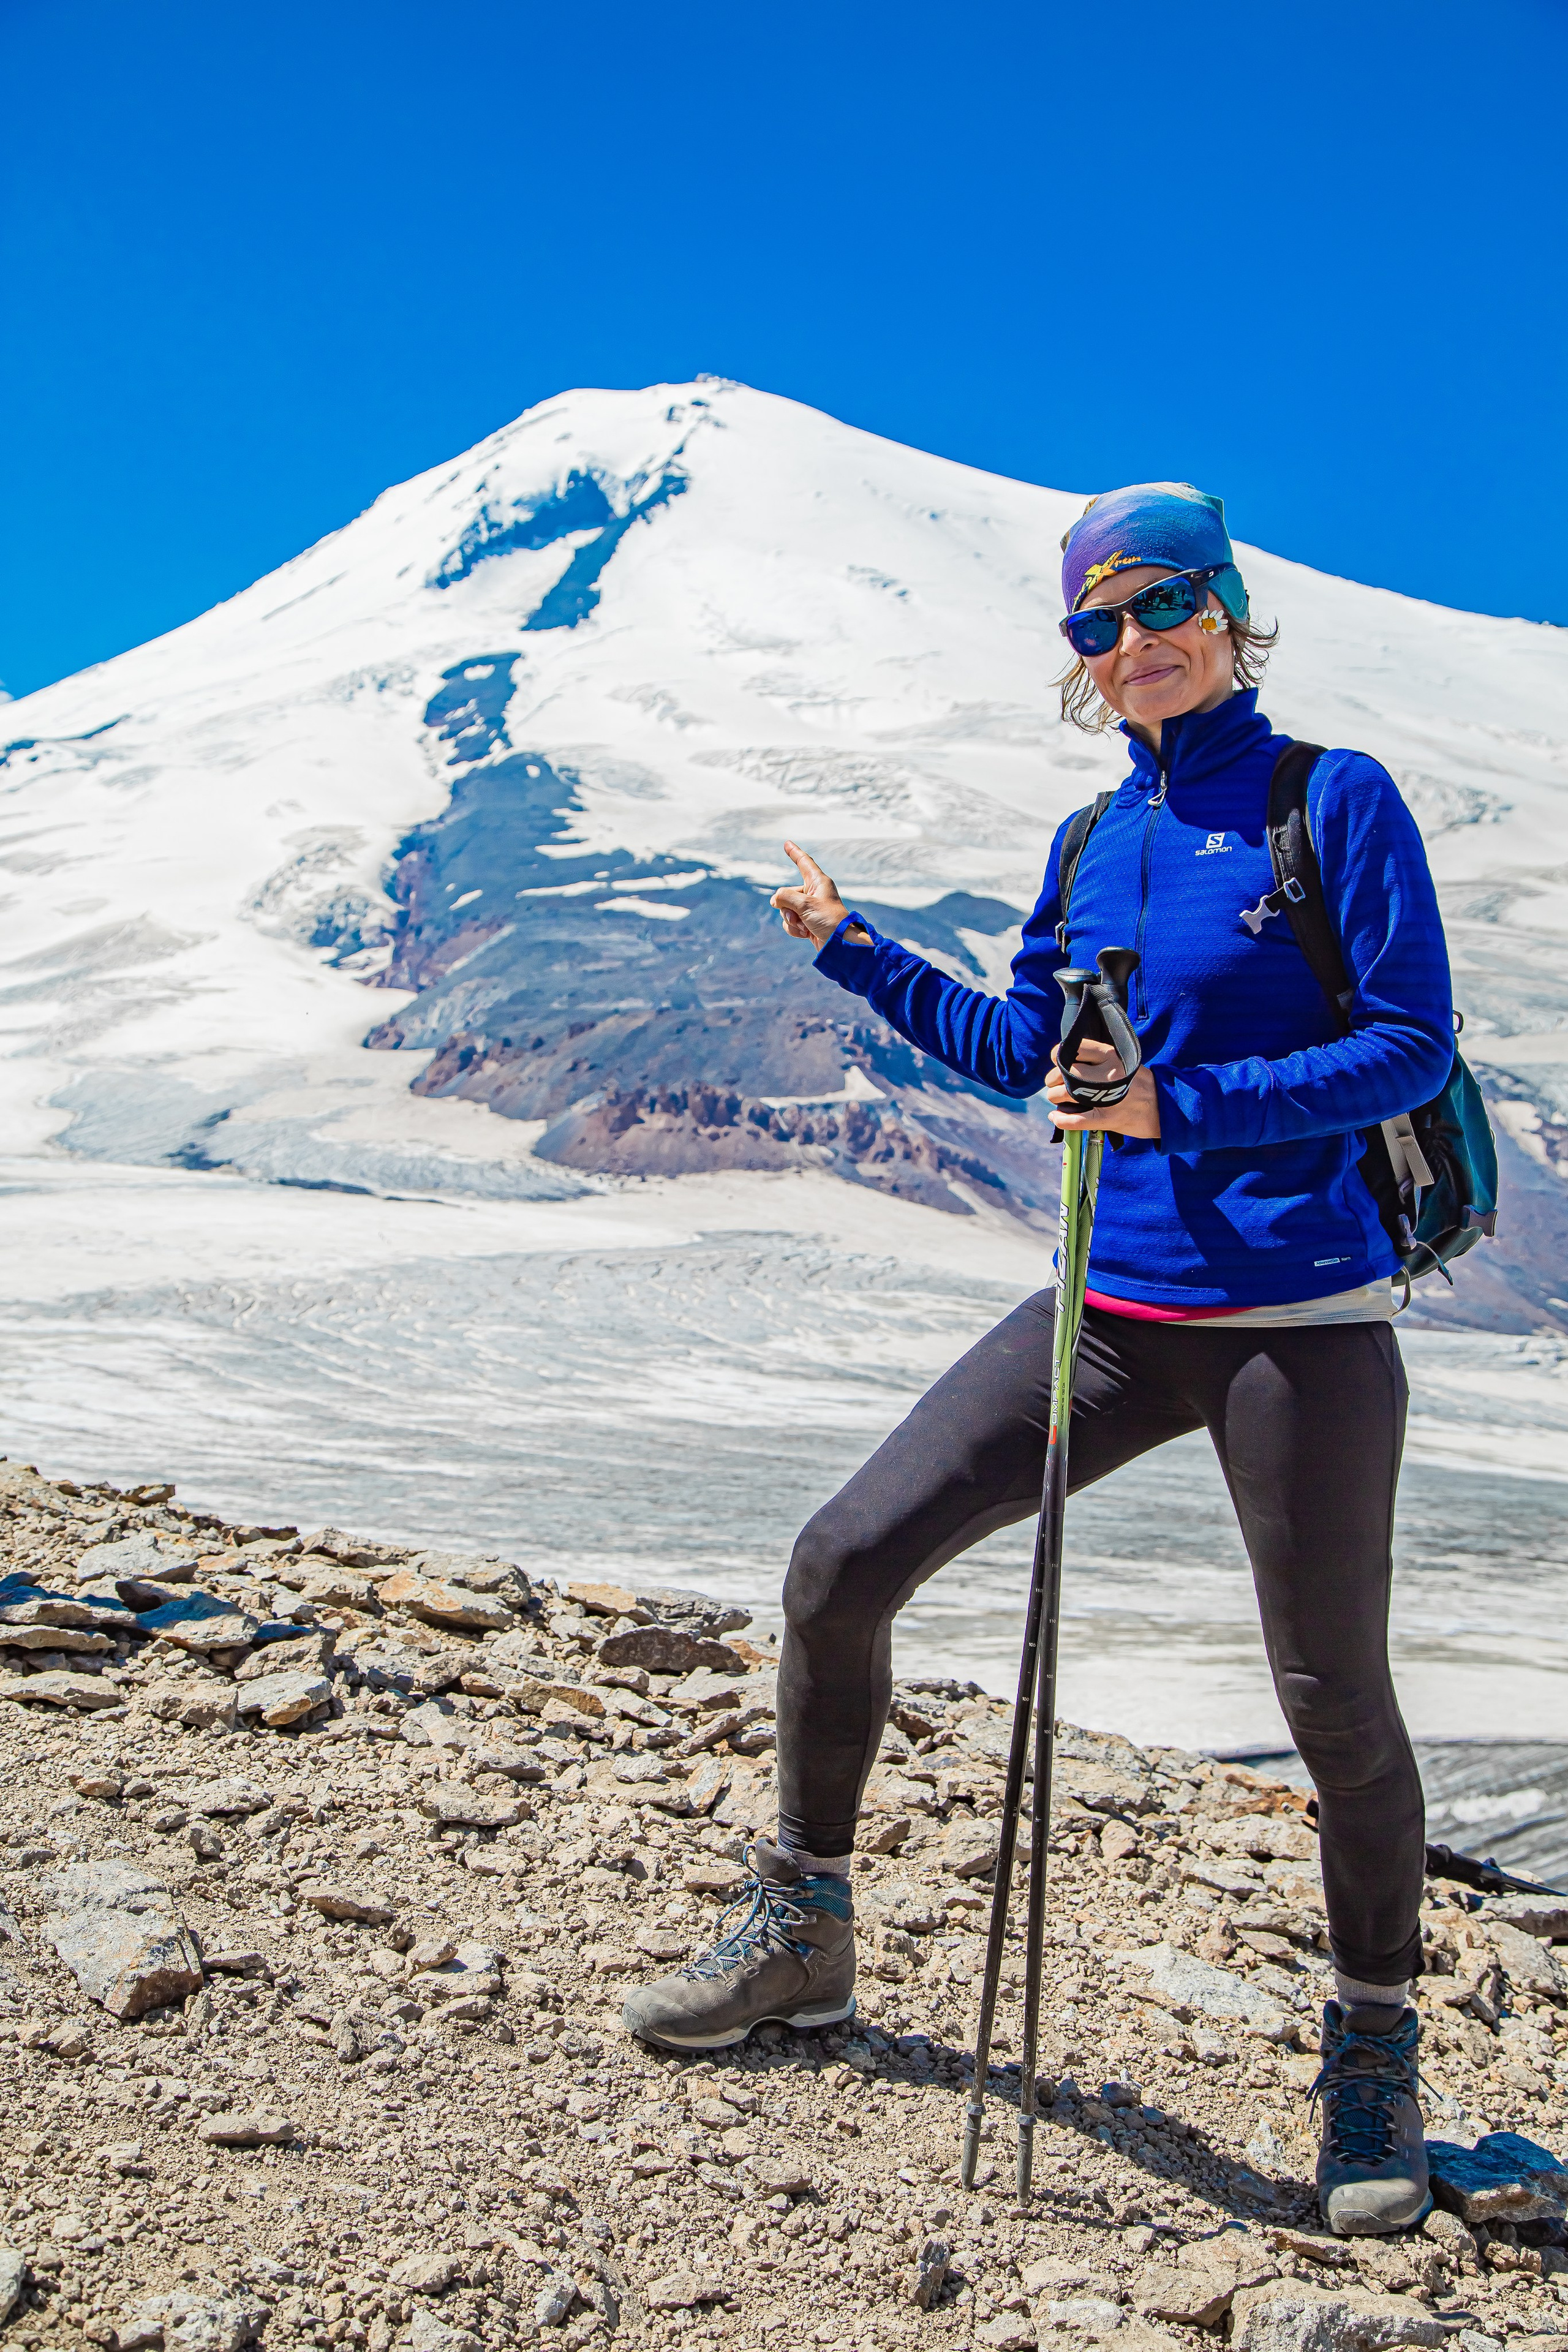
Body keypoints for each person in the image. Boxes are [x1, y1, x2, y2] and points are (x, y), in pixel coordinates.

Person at [622, 481, 1453, 2238]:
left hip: (1298, 1326)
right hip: (1108, 1311)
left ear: (1230, 612)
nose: (1135, 643)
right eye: (1099, 624)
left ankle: (1374, 2046)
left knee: (1331, 1702)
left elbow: (1404, 1050)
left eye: (1165, 607)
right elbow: (1027, 1047)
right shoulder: (1094, 842)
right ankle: (806, 1930)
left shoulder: (1329, 802)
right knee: (842, 1561)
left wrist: (1187, 1104)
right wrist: (852, 953)